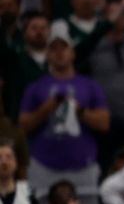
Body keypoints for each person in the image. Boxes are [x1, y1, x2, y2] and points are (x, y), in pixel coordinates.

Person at [17, 24, 111, 194]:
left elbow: (104, 123)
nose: (59, 52)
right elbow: (22, 126)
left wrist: (79, 110)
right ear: (47, 55)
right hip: (43, 166)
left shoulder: (90, 85)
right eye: (53, 48)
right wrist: (45, 109)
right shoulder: (35, 87)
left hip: (84, 166)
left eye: (64, 47)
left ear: (72, 53)